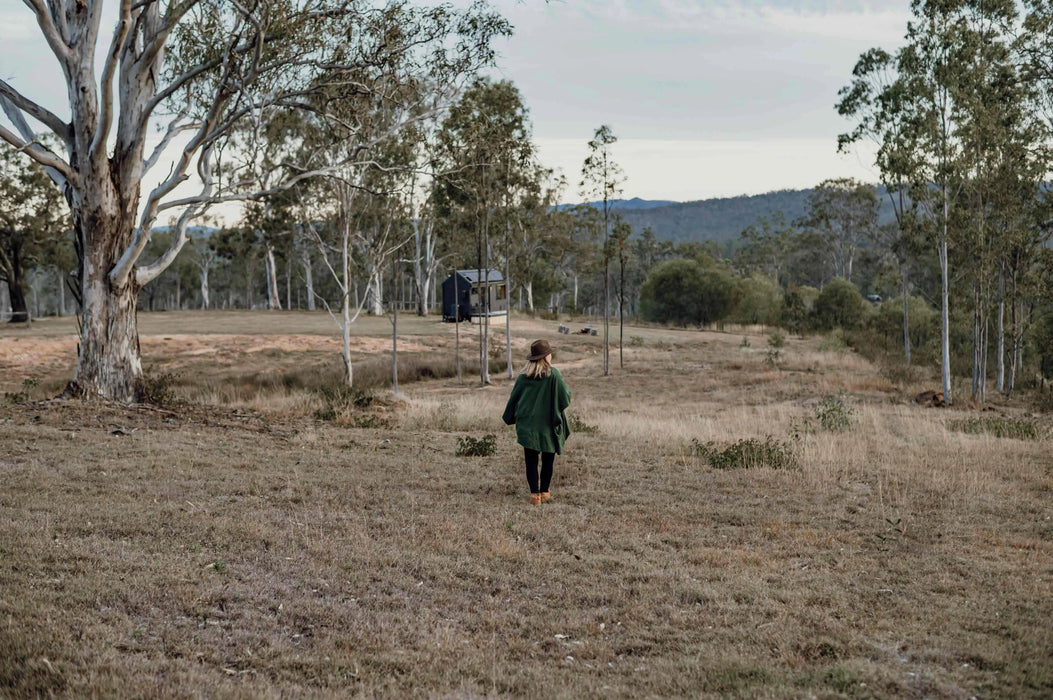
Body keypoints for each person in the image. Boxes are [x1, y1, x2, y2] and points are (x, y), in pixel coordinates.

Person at [502, 339, 572, 505]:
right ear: (546, 357)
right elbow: (565, 398)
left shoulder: (523, 377)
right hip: (548, 424)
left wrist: (510, 417)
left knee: (531, 461)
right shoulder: (554, 375)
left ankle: (535, 496)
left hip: (528, 425)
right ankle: (545, 492)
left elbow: (514, 399)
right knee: (548, 459)